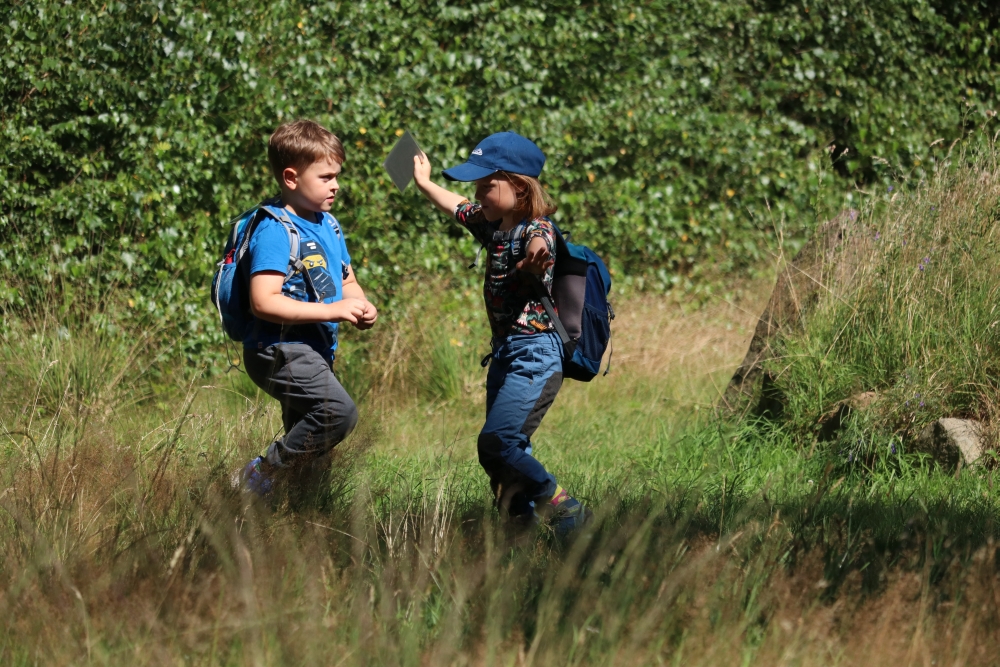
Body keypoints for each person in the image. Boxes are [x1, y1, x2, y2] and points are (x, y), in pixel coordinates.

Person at [412, 131, 590, 535]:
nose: (478, 194)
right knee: (501, 454)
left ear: (519, 187)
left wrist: (535, 261)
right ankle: (519, 535)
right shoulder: (492, 225)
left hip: (536, 353)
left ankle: (565, 509)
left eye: (486, 185)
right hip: (507, 354)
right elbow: (457, 206)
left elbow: (540, 246)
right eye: (476, 186)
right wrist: (423, 184)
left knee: (498, 442)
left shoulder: (535, 228)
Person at [237, 119, 377, 495]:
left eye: (337, 176)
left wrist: (360, 305)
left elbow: (346, 280)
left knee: (312, 457)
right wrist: (333, 312)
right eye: (326, 177)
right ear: (291, 177)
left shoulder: (328, 224)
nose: (336, 185)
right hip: (278, 347)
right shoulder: (276, 229)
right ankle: (257, 475)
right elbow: (263, 301)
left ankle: (287, 513)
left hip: (314, 349)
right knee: (337, 413)